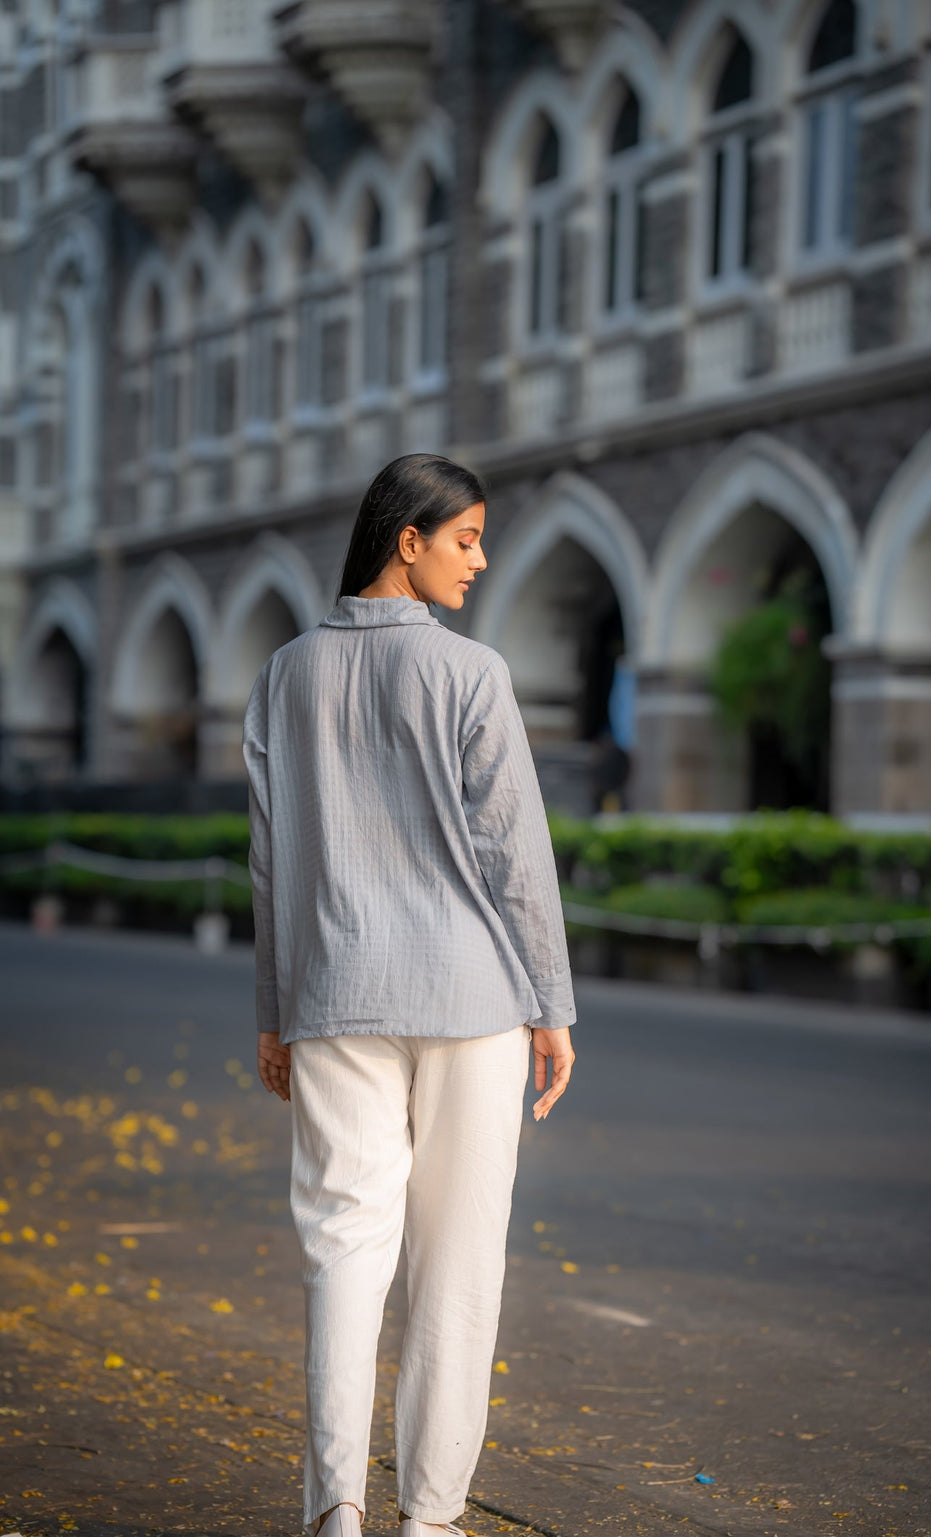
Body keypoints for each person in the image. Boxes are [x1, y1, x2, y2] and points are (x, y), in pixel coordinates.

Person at [242, 453, 577, 1537]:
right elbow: (513, 853)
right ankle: (428, 1521)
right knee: (458, 1264)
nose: (480, 560)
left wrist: (274, 1008)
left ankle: (336, 1506)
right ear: (409, 538)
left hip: (335, 992)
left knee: (342, 1248)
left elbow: (271, 861)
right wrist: (552, 1005)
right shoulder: (471, 674)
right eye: (467, 538)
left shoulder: (285, 675)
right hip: (474, 998)